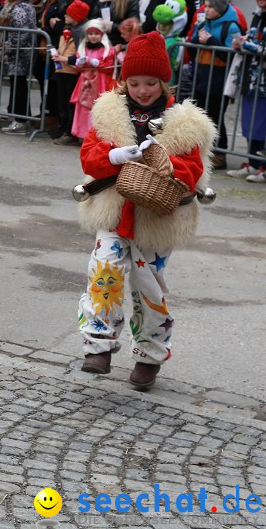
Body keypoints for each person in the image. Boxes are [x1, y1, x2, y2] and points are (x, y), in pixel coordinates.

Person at [76, 32, 215, 390]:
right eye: (134, 82)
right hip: (113, 210)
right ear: (124, 81)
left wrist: (167, 165)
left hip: (157, 218)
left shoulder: (185, 123)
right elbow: (89, 155)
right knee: (103, 271)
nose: (142, 90)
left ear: (163, 81)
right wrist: (114, 156)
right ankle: (99, 345)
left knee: (147, 287)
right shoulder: (109, 112)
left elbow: (193, 170)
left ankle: (150, 355)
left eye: (150, 82)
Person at [188, 0, 240, 170]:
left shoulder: (231, 27)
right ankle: (199, 151)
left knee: (215, 116)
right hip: (201, 75)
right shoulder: (203, 24)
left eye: (210, 6)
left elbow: (230, 56)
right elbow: (192, 51)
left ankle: (220, 153)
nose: (206, 9)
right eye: (206, 5)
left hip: (219, 78)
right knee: (198, 115)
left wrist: (211, 41)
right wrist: (196, 39)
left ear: (219, 8)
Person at [229, 0, 266, 182]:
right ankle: (252, 164)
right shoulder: (257, 15)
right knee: (250, 123)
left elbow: (261, 47)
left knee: (262, 125)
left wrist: (247, 45)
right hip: (250, 78)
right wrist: (242, 44)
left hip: (264, 82)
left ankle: (263, 167)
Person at [0, 0, 38, 134]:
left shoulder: (20, 8)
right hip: (16, 54)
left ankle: (20, 120)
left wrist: (6, 47)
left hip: (19, 55)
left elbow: (21, 34)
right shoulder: (19, 5)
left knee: (18, 86)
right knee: (17, 85)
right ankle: (21, 118)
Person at [51, 0, 92, 145]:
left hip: (72, 72)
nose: (65, 16)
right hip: (61, 70)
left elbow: (81, 54)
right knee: (61, 101)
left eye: (68, 14)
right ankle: (64, 128)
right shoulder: (67, 29)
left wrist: (65, 58)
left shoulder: (81, 32)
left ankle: (69, 131)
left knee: (69, 102)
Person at [71, 19, 116, 141]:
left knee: (98, 106)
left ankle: (98, 135)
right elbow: (79, 68)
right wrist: (80, 64)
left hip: (100, 81)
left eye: (96, 33)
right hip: (85, 82)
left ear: (102, 34)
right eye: (90, 34)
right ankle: (82, 133)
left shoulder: (107, 49)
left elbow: (109, 67)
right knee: (84, 107)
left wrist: (98, 63)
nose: (93, 36)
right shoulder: (83, 48)